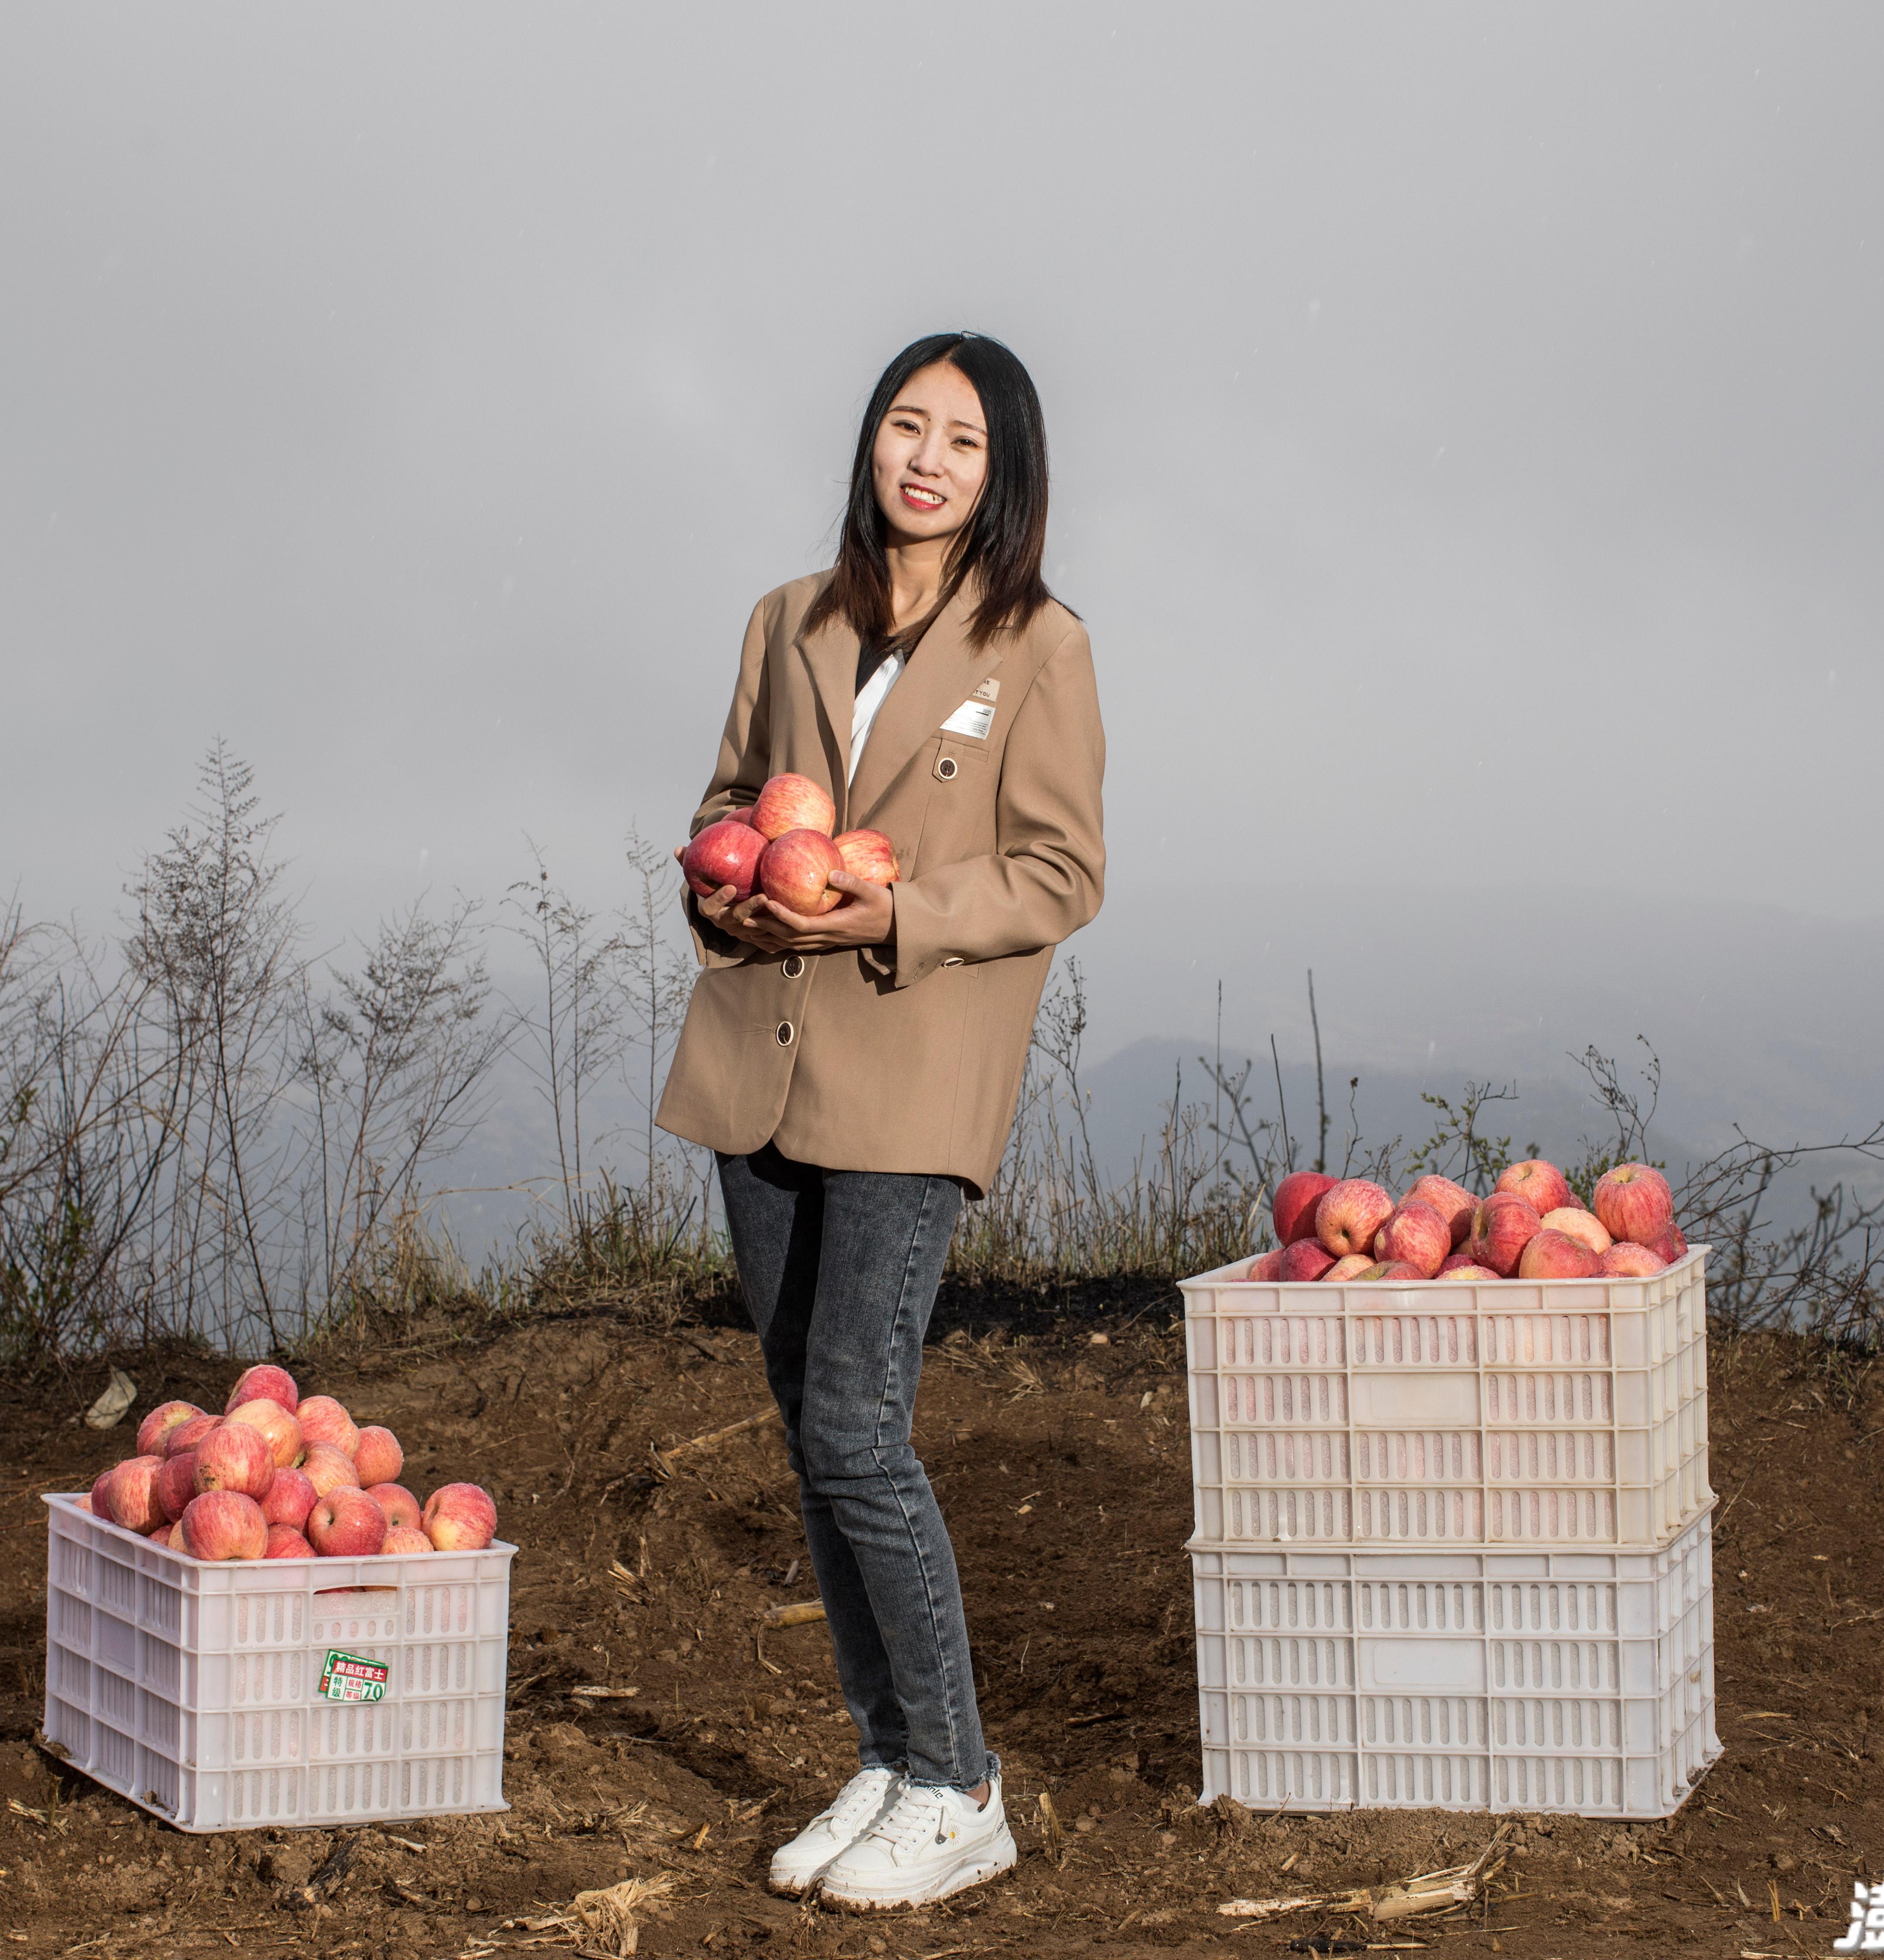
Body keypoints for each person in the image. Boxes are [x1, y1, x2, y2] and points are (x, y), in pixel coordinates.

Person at [655, 331, 1104, 1911]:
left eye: (963, 442)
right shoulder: (793, 620)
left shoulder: (1036, 645)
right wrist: (733, 884)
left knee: (859, 1427)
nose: (925, 459)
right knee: (808, 1429)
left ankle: (964, 1783)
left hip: (912, 1078)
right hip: (763, 1057)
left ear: (1005, 475)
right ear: (869, 445)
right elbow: (723, 809)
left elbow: (1061, 871)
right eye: (905, 427)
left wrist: (881, 913)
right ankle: (891, 1755)